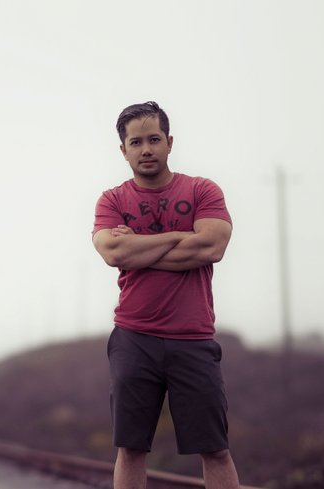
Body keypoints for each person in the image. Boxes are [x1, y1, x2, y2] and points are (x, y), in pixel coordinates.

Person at [91, 101, 240, 489]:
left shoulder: (202, 190)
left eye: (154, 139)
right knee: (130, 448)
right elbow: (114, 252)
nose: (146, 149)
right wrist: (180, 236)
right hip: (133, 338)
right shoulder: (112, 201)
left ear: (169, 142)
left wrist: (140, 247)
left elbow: (211, 248)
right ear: (122, 150)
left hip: (193, 339)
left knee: (216, 449)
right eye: (136, 142)